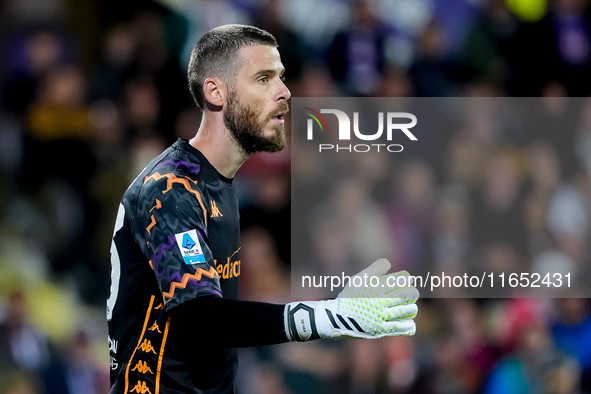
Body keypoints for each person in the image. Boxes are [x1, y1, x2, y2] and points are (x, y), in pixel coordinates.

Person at [106, 24, 419, 394]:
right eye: (263, 78)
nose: (285, 92)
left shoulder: (218, 185)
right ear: (216, 92)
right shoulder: (170, 188)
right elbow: (200, 316)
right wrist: (330, 316)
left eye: (281, 78)